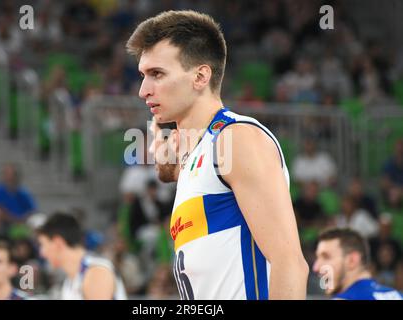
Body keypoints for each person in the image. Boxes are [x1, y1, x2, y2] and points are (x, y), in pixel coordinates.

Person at [127, 10, 308, 300]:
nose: (143, 91)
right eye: (142, 75)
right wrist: (168, 163)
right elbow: (175, 173)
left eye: (156, 74)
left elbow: (290, 265)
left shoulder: (236, 138)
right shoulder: (200, 151)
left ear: (200, 76)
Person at [36, 212, 127, 300]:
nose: (42, 253)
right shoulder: (72, 279)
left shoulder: (96, 272)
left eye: (43, 245)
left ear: (58, 242)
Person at [313, 228, 403, 300]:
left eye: (326, 257)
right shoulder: (396, 295)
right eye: (317, 258)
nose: (316, 267)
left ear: (352, 260)